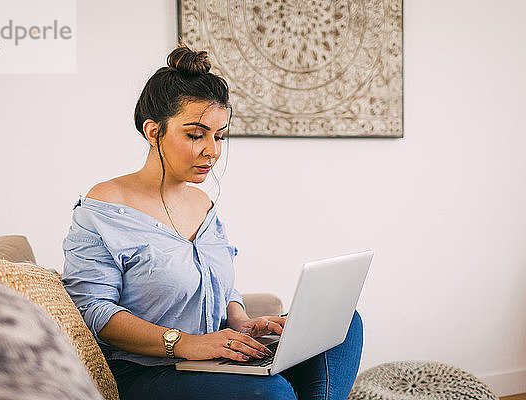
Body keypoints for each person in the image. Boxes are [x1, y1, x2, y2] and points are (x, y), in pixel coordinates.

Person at [62, 44, 364, 400]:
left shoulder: (203, 203)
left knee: (345, 322)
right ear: (153, 131)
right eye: (196, 135)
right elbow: (95, 311)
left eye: (219, 136)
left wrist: (240, 321)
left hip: (213, 358)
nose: (213, 150)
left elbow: (222, 286)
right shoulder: (101, 210)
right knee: (272, 393)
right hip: (148, 371)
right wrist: (188, 344)